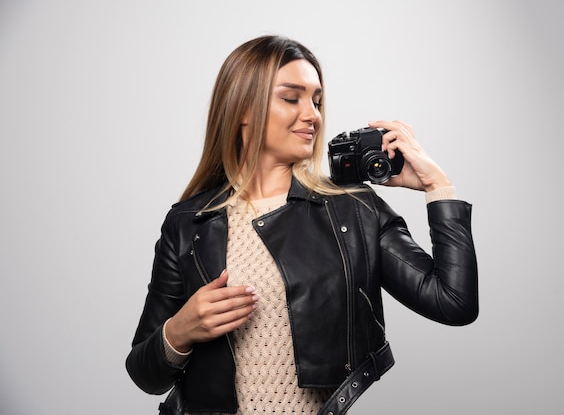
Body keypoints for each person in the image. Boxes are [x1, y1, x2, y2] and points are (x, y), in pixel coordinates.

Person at [126, 35, 479, 415]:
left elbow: (453, 302)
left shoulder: (353, 210)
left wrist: (437, 186)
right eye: (291, 98)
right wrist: (180, 331)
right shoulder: (188, 224)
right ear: (243, 108)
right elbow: (145, 374)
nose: (312, 114)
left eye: (317, 100)